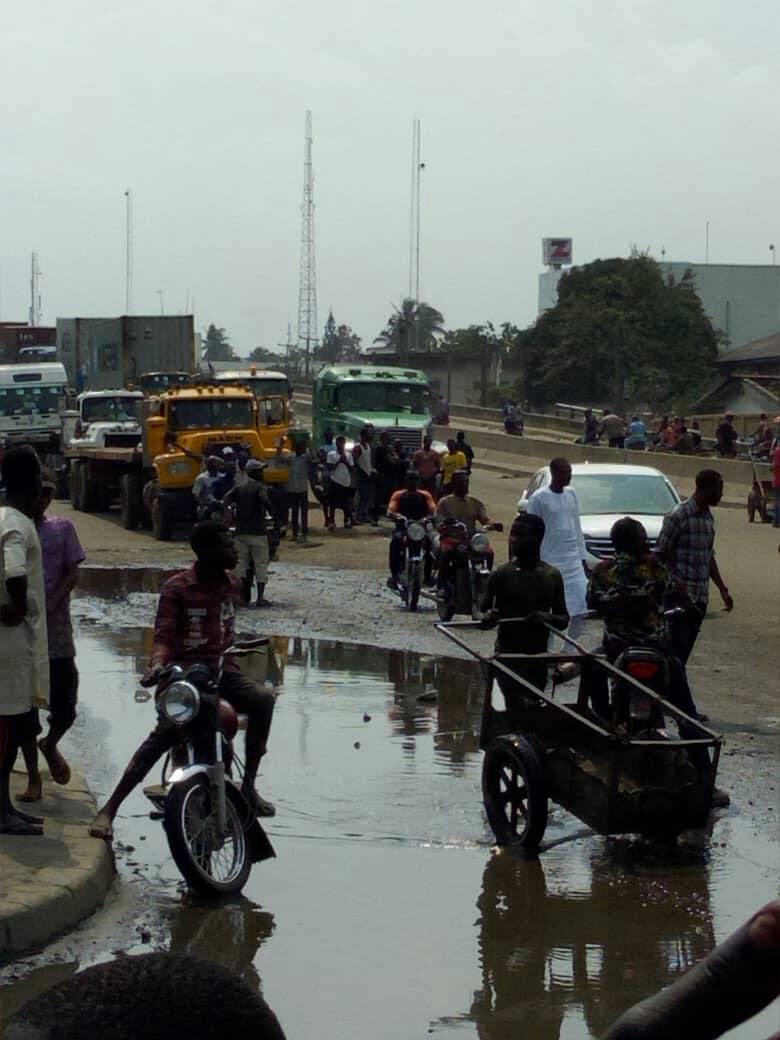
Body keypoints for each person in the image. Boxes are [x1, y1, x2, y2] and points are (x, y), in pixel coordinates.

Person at [89, 521, 276, 841]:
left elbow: (227, 628)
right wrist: (158, 665)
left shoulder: (232, 584)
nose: (233, 550)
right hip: (183, 675)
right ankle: (109, 809)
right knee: (161, 736)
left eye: (233, 544)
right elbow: (162, 637)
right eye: (226, 545)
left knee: (263, 699)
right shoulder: (177, 588)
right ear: (203, 552)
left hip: (222, 672)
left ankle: (248, 788)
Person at [587, 518, 728, 808]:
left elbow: (593, 602)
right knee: (685, 713)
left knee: (593, 673)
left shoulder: (603, 571)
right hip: (658, 652)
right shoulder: (656, 569)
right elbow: (680, 594)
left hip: (618, 652)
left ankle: (603, 725)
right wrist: (684, 606)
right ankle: (706, 781)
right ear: (640, 541)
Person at [17, 479, 86, 803]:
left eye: (45, 493)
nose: (40, 499)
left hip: (57, 634)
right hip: (22, 635)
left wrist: (53, 600)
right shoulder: (12, 531)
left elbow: (73, 572)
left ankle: (52, 743)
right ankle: (33, 777)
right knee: (25, 710)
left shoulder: (62, 528)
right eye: (35, 492)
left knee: (66, 704)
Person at [0, 445, 48, 835]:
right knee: (7, 726)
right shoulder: (16, 523)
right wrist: (16, 605)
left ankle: (5, 806)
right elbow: (15, 570)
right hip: (11, 643)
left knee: (13, 726)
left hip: (12, 642)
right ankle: (1, 812)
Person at [480, 512, 569, 707]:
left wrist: (545, 617)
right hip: (507, 656)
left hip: (537, 658)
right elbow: (480, 611)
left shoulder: (551, 576)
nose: (514, 540)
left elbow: (563, 620)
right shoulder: (502, 574)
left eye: (521, 535)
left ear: (538, 539)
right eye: (513, 534)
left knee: (532, 706)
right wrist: (489, 617)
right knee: (513, 704)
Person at [654, 469, 733, 668]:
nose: (721, 495)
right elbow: (660, 555)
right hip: (678, 600)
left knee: (682, 656)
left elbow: (708, 555)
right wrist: (676, 583)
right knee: (673, 657)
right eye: (719, 489)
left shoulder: (708, 518)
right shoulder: (678, 516)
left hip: (699, 599)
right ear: (706, 489)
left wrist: (722, 589)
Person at [525, 457, 589, 639]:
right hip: (549, 562)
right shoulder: (539, 498)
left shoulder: (571, 494)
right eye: (564, 473)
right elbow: (531, 531)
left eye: (569, 473)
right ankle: (548, 652)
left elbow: (576, 527)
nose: (568, 477)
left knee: (581, 608)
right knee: (551, 612)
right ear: (554, 474)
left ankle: (569, 649)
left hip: (573, 562)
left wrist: (583, 558)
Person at [435, 470, 499, 588]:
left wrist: (494, 525)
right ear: (454, 484)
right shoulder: (445, 502)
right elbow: (438, 522)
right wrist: (445, 524)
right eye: (461, 482)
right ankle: (441, 585)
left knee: (489, 552)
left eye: (466, 482)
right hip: (452, 538)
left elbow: (485, 519)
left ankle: (486, 580)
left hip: (471, 539)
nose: (465, 484)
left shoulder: (474, 502)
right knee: (445, 553)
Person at [223, 459, 272, 607]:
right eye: (260, 471)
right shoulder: (259, 487)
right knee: (261, 564)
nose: (262, 473)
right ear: (254, 473)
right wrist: (275, 515)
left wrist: (228, 513)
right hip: (258, 532)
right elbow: (265, 500)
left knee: (240, 565)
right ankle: (260, 598)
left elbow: (226, 498)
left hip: (241, 532)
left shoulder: (239, 487)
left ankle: (240, 598)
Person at [387, 469, 436, 588]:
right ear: (405, 481)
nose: (412, 482)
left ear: (419, 481)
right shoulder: (398, 494)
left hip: (420, 528)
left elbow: (433, 509)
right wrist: (396, 515)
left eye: (415, 479)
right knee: (395, 542)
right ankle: (394, 575)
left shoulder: (425, 495)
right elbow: (391, 509)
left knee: (431, 545)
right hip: (403, 528)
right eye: (410, 479)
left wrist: (429, 517)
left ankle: (428, 575)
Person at [281, 438, 312, 542]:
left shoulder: (306, 458)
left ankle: (304, 534)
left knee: (303, 513)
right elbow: (279, 459)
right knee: (295, 513)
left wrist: (310, 446)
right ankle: (295, 534)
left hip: (301, 489)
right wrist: (279, 447)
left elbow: (315, 458)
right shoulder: (291, 458)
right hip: (294, 489)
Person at [326, 435, 355, 529]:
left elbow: (351, 468)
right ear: (336, 443)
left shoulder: (348, 455)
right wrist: (339, 461)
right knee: (332, 503)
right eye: (339, 442)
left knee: (346, 503)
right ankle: (331, 521)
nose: (341, 444)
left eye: (343, 442)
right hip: (335, 480)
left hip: (346, 481)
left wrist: (345, 461)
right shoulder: (331, 454)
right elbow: (330, 467)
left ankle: (346, 521)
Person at [353, 426, 377, 525]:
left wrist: (371, 470)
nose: (370, 436)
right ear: (364, 436)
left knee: (367, 496)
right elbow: (354, 461)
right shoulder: (358, 447)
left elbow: (368, 461)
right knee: (361, 496)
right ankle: (356, 517)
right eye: (368, 434)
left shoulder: (368, 446)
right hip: (361, 475)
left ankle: (363, 515)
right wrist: (361, 472)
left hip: (368, 474)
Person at [192, 455, 221, 519]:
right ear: (207, 465)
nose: (214, 465)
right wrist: (202, 506)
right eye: (211, 463)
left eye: (215, 463)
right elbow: (196, 494)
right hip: (206, 506)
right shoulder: (201, 478)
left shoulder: (221, 477)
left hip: (220, 505)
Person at [773, 438, 780, 528]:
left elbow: (775, 465)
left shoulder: (777, 451)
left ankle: (776, 520)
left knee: (777, 501)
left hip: (778, 481)